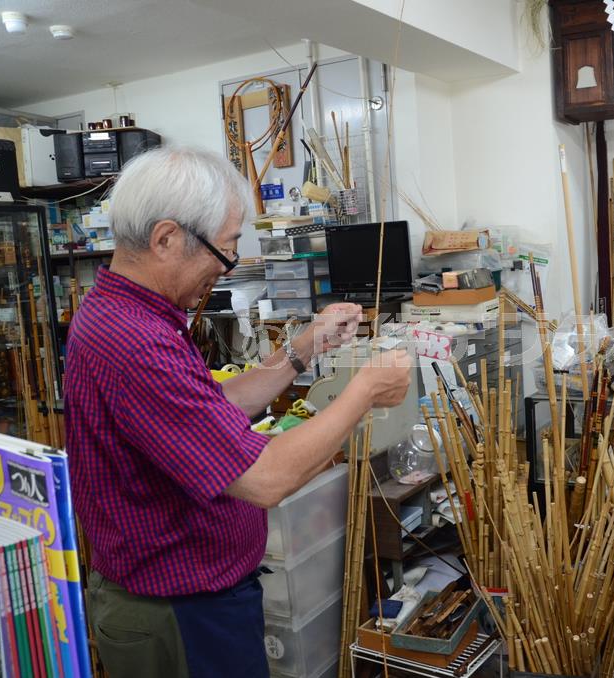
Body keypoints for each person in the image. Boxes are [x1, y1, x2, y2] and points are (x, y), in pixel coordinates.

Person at [64, 147, 412, 678]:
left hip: (197, 602)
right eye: (224, 250)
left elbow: (208, 411)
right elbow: (264, 479)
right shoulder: (133, 339)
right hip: (179, 614)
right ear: (165, 238)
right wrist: (363, 391)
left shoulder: (135, 313)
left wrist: (305, 346)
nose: (224, 268)